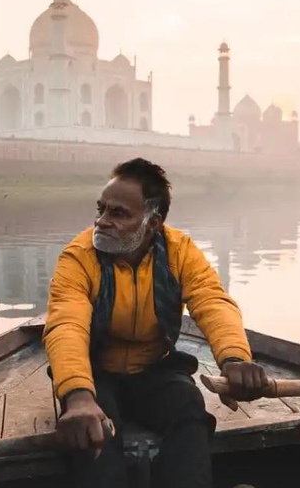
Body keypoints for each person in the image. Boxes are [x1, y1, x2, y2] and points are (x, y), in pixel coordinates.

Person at [43, 158, 266, 488]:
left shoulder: (180, 251)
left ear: (152, 222)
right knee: (94, 435)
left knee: (189, 407)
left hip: (156, 368)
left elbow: (212, 302)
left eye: (118, 213)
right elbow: (67, 324)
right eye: (101, 209)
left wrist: (235, 358)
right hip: (95, 372)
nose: (101, 222)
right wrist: (77, 397)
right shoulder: (79, 256)